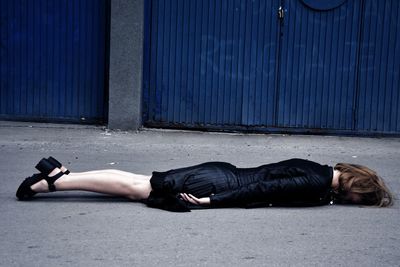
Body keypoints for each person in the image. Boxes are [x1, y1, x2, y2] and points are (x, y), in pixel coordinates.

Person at [16, 157, 393, 212]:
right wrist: (213, 201)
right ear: (356, 184)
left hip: (223, 171)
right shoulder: (315, 180)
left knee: (139, 182)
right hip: (219, 181)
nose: (358, 202)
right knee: (139, 189)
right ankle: (57, 182)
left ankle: (60, 177)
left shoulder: (317, 169)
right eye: (364, 197)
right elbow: (262, 191)